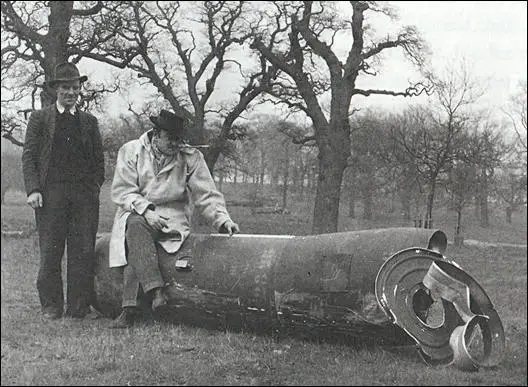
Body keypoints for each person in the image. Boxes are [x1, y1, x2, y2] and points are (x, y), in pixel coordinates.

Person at [108, 109, 239, 328]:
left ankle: (130, 308)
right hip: (138, 212)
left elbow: (206, 193)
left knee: (137, 247)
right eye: (170, 139)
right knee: (136, 227)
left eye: (179, 140)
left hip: (173, 219)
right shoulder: (131, 151)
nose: (175, 145)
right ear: (156, 133)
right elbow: (122, 191)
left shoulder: (190, 157)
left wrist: (222, 220)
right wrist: (146, 210)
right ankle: (156, 291)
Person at [22, 62, 105, 320]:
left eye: (75, 88)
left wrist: (92, 190)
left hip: (83, 197)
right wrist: (34, 189)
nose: (70, 92)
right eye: (66, 87)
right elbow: (29, 157)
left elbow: (98, 162)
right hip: (50, 195)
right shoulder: (40, 119)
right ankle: (51, 305)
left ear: (80, 90)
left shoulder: (89, 122)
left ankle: (78, 306)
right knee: (50, 251)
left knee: (82, 250)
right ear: (56, 89)